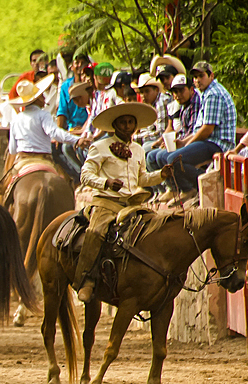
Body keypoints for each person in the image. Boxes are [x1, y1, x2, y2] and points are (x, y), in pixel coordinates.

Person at [74, 103, 175, 302]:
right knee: (95, 233)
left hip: (132, 204)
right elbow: (85, 174)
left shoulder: (138, 150)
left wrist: (160, 175)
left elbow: (142, 179)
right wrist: (105, 182)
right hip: (105, 202)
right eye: (123, 122)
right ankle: (86, 280)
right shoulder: (100, 146)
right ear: (115, 125)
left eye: (130, 122)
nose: (127, 126)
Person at [162, 61, 237, 203]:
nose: (197, 80)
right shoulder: (206, 93)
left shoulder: (213, 94)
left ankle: (201, 187)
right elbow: (200, 128)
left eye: (201, 76)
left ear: (211, 76)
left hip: (218, 144)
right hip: (208, 141)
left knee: (174, 160)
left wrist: (187, 144)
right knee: (168, 157)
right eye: (195, 77)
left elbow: (207, 130)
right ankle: (195, 188)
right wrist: (184, 142)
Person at [6, 77, 90, 185]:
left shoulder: (16, 120)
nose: (44, 98)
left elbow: (12, 150)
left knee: (7, 188)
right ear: (38, 99)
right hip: (44, 159)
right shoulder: (43, 115)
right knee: (65, 183)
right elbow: (55, 133)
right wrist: (77, 140)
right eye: (42, 96)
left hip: (23, 161)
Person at [133, 73, 170, 151]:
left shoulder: (161, 102)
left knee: (144, 148)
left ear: (156, 90)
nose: (144, 95)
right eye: (141, 92)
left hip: (165, 139)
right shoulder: (150, 104)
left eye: (147, 91)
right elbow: (148, 128)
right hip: (155, 138)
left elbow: (161, 132)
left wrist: (136, 138)